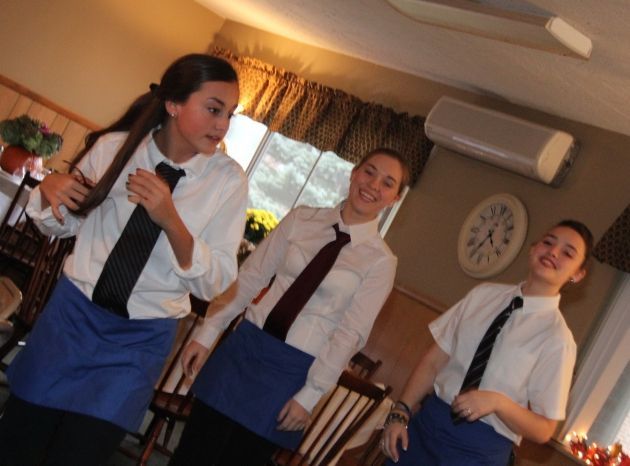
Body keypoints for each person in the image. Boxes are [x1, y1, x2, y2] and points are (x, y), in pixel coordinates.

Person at [0, 54, 248, 466]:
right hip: (71, 320)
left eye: (229, 114)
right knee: (17, 445)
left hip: (139, 343)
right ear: (174, 104)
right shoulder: (116, 148)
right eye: (213, 109)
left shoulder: (228, 181)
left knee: (79, 456)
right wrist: (50, 191)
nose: (222, 125)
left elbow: (215, 282)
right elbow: (62, 226)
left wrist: (171, 221)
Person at [168, 148, 411, 466]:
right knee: (191, 453)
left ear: (394, 199)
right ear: (354, 173)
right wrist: (207, 332)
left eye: (388, 183)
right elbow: (250, 277)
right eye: (369, 172)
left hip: (293, 370)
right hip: (245, 346)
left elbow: (350, 335)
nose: (373, 185)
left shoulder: (381, 261)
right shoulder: (302, 218)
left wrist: (310, 395)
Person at [381, 220, 593, 466]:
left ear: (577, 274)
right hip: (426, 426)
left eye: (568, 253)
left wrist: (498, 403)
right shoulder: (483, 295)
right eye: (548, 242)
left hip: (478, 451)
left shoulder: (557, 339)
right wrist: (400, 411)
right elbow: (434, 362)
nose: (553, 252)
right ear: (533, 249)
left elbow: (544, 429)